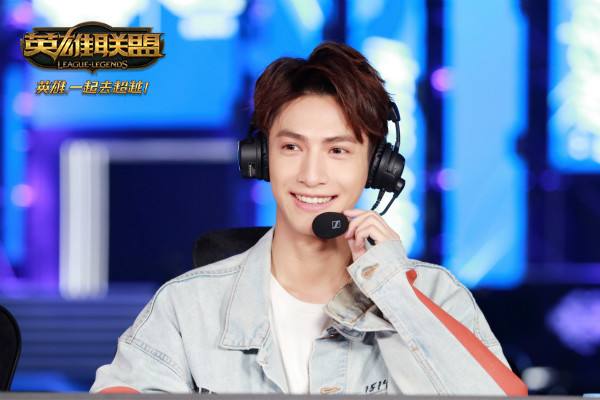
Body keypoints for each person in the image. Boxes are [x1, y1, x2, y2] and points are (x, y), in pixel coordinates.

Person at [90, 42, 527, 396]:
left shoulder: (432, 295)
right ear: (261, 159)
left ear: (376, 167)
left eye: (338, 150)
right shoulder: (188, 307)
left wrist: (395, 291)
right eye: (291, 147)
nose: (312, 175)